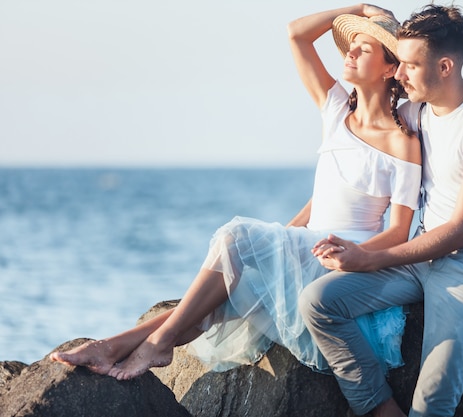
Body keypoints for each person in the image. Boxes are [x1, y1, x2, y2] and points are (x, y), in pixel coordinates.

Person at [49, 4, 422, 381]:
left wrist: (354, 255)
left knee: (235, 238)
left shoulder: (402, 141)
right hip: (306, 243)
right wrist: (358, 7)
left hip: (342, 257)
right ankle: (114, 346)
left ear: (390, 68)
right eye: (350, 45)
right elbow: (297, 33)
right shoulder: (336, 108)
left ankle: (155, 342)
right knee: (228, 282)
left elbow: (399, 232)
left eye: (365, 48)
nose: (351, 53)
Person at [300, 4, 463, 417]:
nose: (400, 75)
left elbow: (460, 230)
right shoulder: (413, 113)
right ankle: (382, 409)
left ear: (444, 66)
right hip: (421, 257)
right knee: (318, 301)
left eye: (408, 64)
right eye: (398, 63)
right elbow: (361, 141)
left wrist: (369, 258)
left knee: (433, 399)